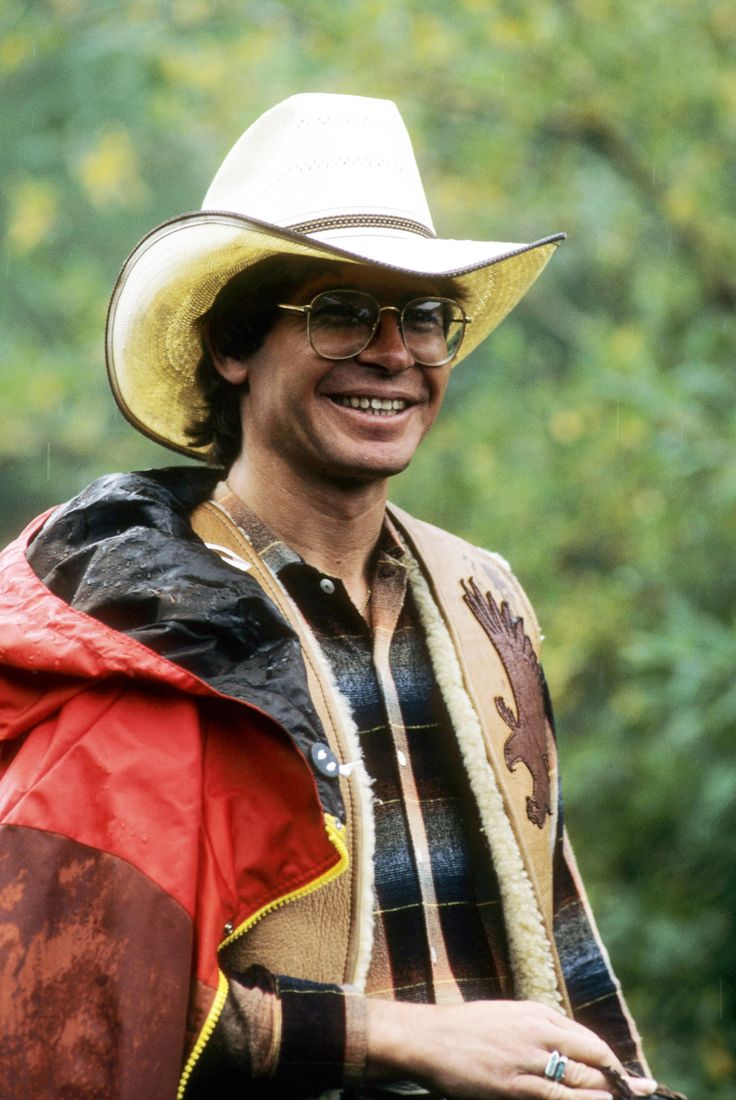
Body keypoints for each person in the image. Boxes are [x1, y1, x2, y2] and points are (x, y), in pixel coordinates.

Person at [0, 94, 679, 1100]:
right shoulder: (146, 629)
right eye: (341, 312)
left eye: (423, 317)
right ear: (233, 348)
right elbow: (74, 984)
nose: (394, 353)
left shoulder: (483, 599)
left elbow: (556, 936)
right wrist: (398, 1038)